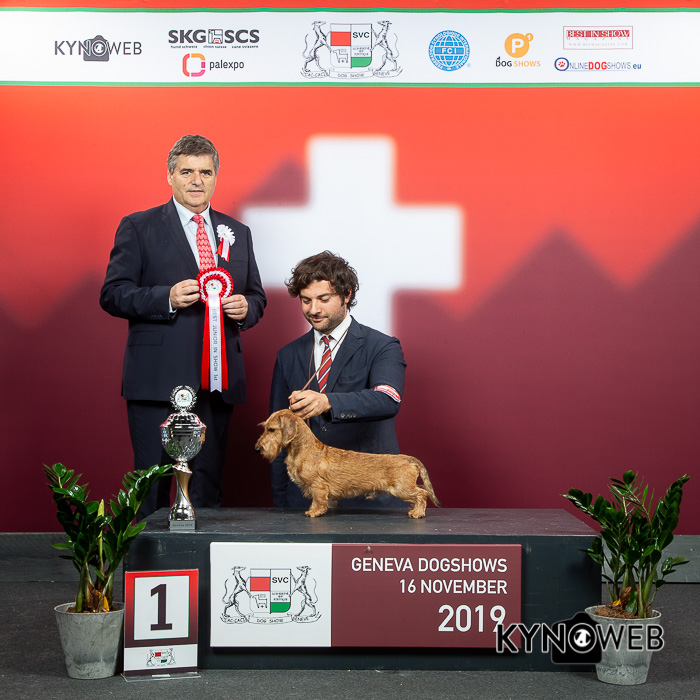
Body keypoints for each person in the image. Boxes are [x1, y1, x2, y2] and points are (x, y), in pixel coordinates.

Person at [100, 134, 266, 517]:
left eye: (205, 172)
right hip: (156, 381)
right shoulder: (138, 226)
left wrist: (247, 307)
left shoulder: (237, 232)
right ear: (170, 176)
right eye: (187, 171)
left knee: (207, 489)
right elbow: (112, 294)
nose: (196, 180)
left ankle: (202, 558)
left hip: (216, 385)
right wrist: (167, 298)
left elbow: (257, 297)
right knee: (150, 490)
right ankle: (148, 558)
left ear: (215, 177)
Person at [269, 251, 407, 509]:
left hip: (369, 498)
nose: (313, 310)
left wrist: (328, 402)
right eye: (306, 300)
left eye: (324, 299)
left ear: (347, 295)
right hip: (304, 502)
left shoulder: (382, 346)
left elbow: (387, 400)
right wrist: (282, 503)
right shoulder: (287, 355)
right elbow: (277, 432)